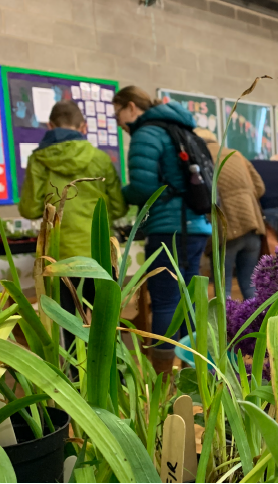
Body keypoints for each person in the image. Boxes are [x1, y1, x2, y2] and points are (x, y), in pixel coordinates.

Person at [113, 86, 211, 375]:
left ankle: (163, 380)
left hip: (170, 227)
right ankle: (196, 372)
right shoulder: (182, 129)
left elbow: (144, 187)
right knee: (189, 297)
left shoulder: (147, 132)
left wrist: (120, 193)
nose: (118, 121)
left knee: (166, 299)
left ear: (131, 107)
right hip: (196, 224)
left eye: (117, 112)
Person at [19, 100, 127, 322]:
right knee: (105, 324)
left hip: (60, 257)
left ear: (50, 125)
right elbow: (118, 207)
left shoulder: (39, 159)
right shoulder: (101, 159)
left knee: (67, 324)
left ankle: (70, 359)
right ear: (83, 127)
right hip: (100, 255)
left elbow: (29, 208)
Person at [195, 128, 265, 300]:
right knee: (250, 287)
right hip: (252, 225)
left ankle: (227, 327)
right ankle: (257, 324)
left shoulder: (199, 157)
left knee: (223, 291)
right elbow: (260, 188)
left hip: (225, 230)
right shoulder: (236, 155)